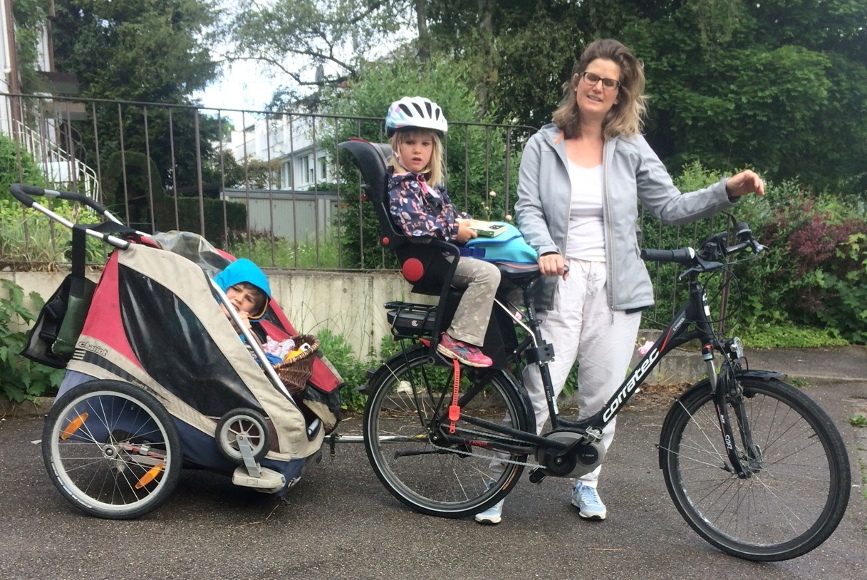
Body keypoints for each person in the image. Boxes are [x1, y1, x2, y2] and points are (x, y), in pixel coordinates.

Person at [474, 38, 764, 525]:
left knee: (603, 397)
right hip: (559, 279)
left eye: (610, 83)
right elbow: (528, 207)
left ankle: (586, 482)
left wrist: (726, 191)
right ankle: (498, 482)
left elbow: (669, 206)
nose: (599, 87)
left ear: (619, 94)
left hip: (617, 285)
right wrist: (545, 248)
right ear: (577, 81)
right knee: (537, 392)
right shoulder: (544, 143)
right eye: (593, 77)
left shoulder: (630, 147)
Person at [385, 96, 501, 368]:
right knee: (487, 274)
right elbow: (415, 224)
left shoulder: (427, 184)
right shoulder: (402, 185)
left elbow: (450, 214)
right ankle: (458, 339)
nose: (418, 150)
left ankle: (500, 342)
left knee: (505, 267)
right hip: (430, 260)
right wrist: (454, 230)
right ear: (397, 145)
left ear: (433, 149)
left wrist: (471, 224)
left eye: (425, 144)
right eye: (410, 142)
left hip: (442, 255)